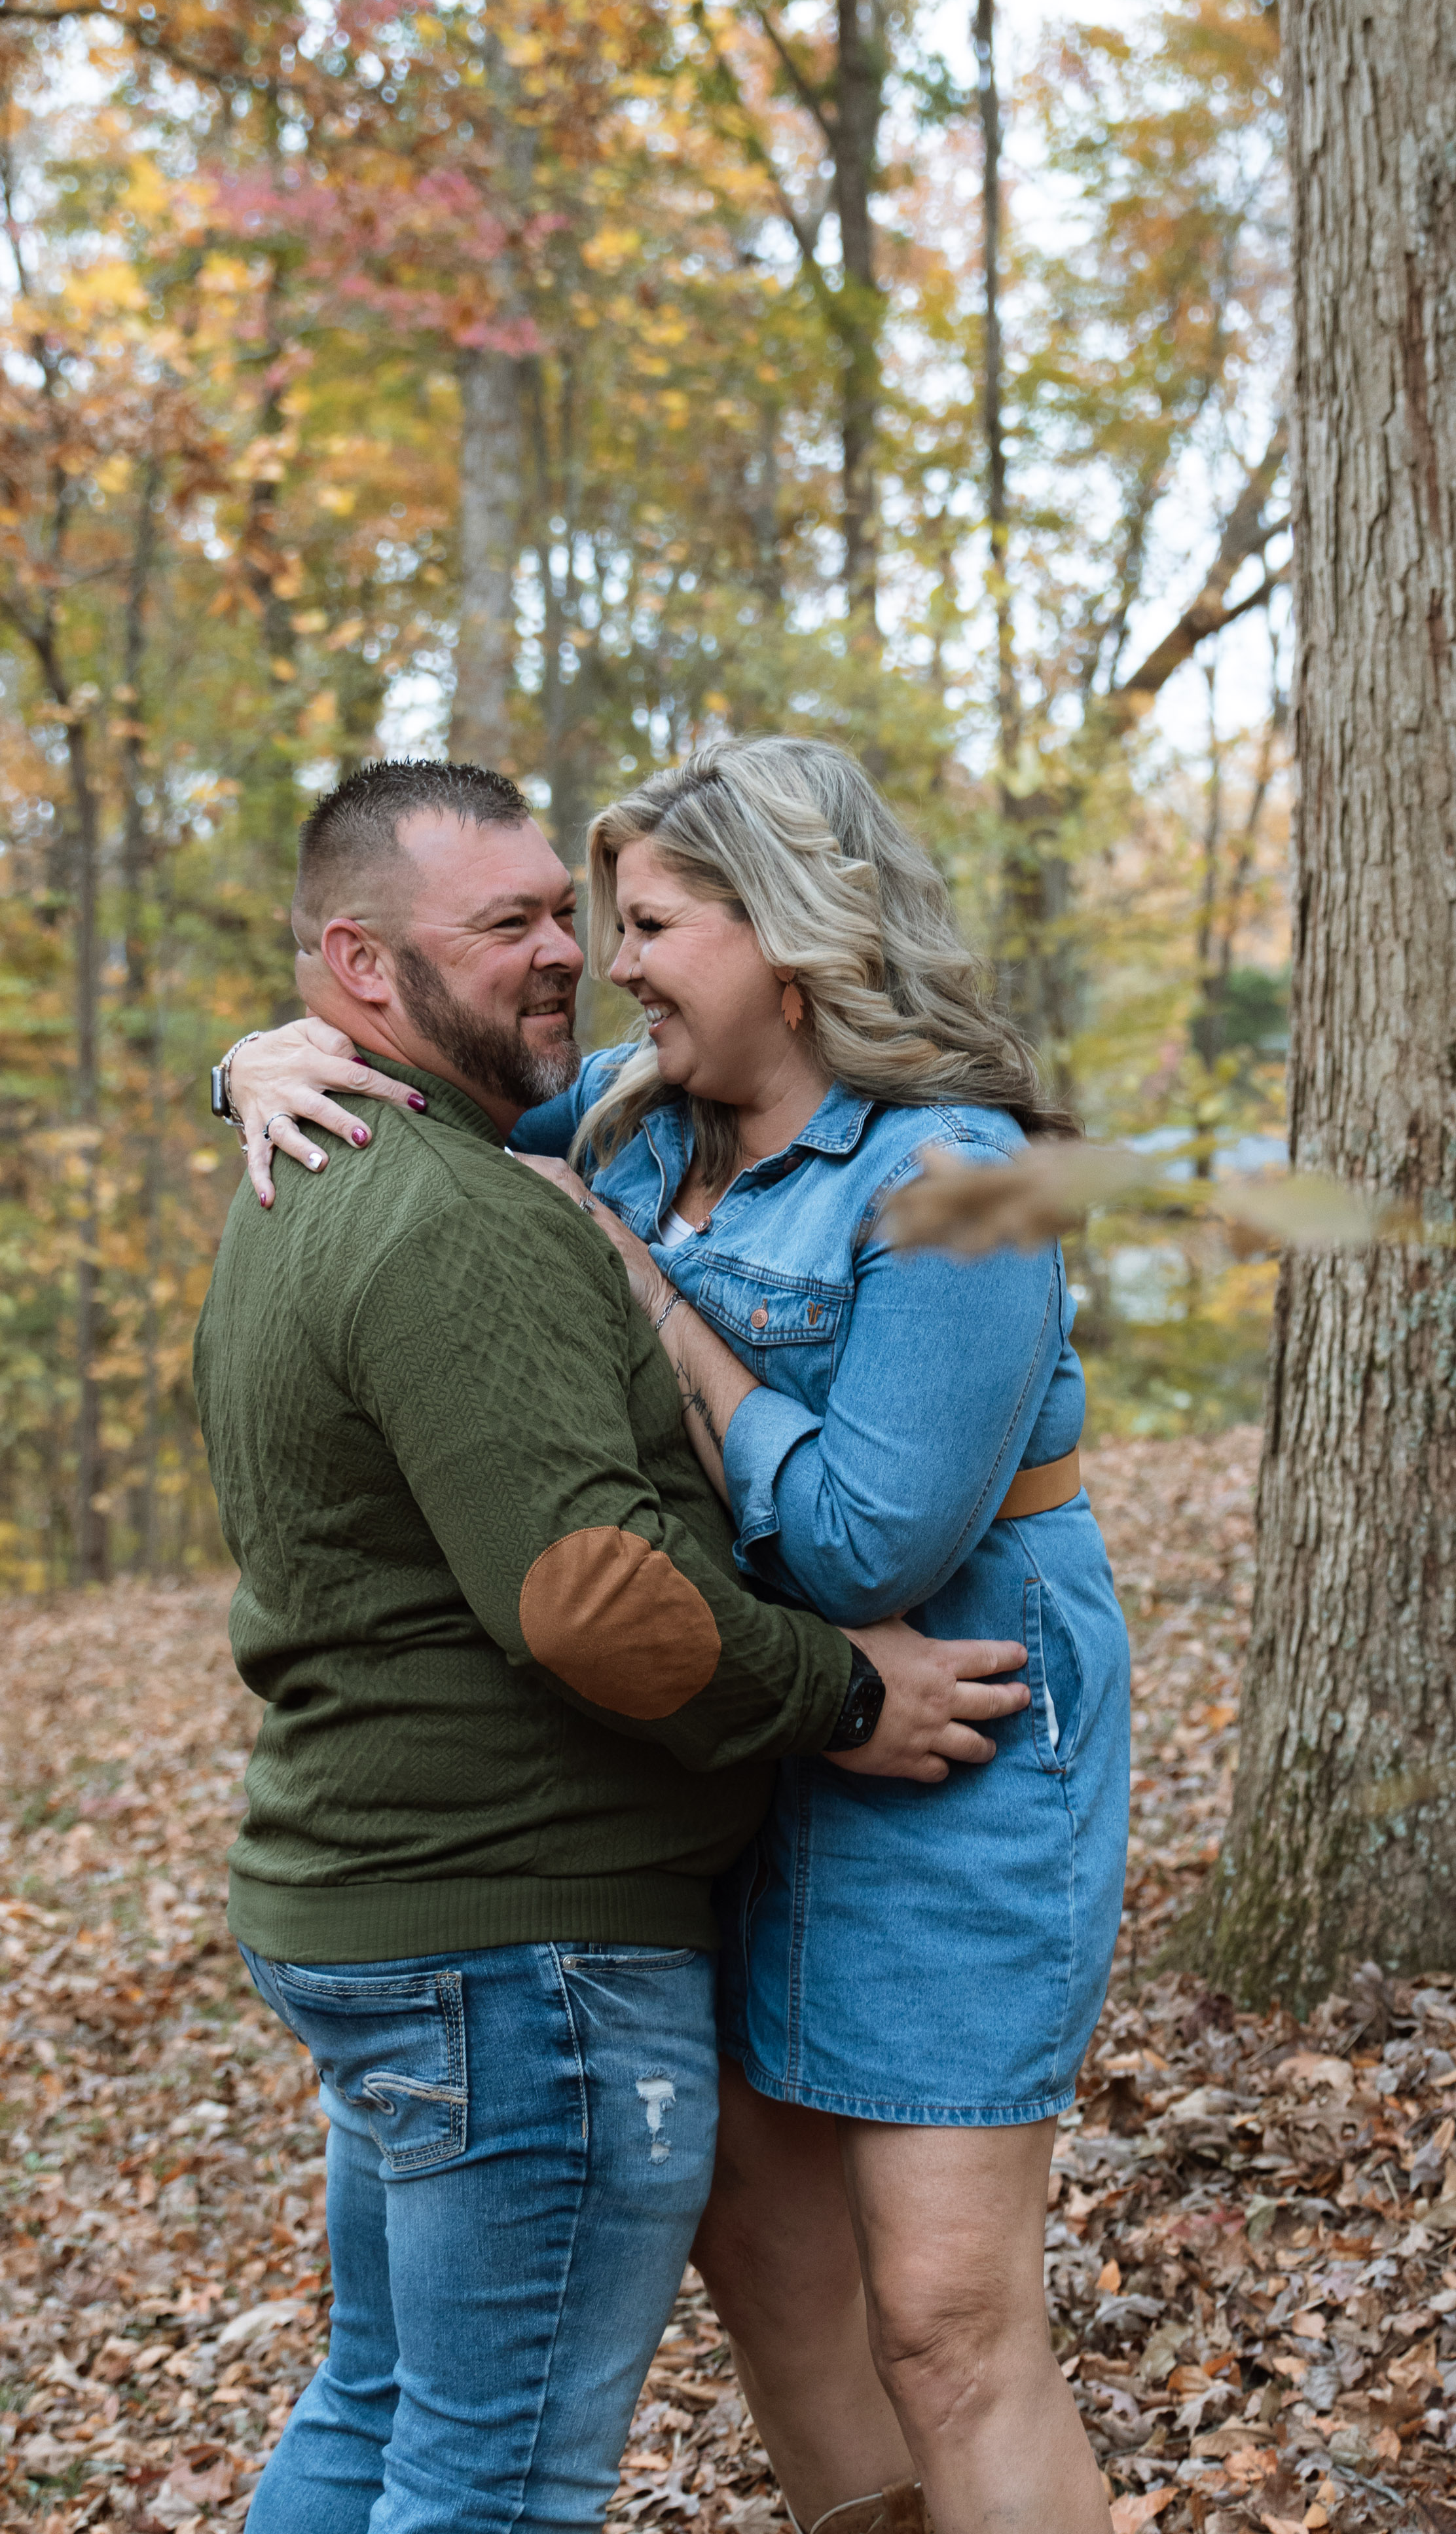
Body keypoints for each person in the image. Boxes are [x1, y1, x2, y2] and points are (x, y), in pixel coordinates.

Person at [223, 739, 1131, 2534]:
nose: (608, 964)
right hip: (746, 1731)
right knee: (775, 2281)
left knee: (945, 2321)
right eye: (598, 921)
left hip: (945, 1737)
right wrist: (252, 1059)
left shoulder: (960, 1176)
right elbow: (421, 1071)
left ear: (791, 936)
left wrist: (656, 1305)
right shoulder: (638, 1112)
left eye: (648, 924)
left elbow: (868, 1540)